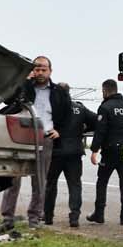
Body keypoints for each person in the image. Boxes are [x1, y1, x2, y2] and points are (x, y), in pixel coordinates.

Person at [1, 56, 59, 229]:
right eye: (37, 68)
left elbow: (66, 115)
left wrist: (59, 130)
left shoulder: (58, 93)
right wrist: (24, 82)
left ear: (50, 70)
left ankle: (34, 219)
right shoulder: (23, 88)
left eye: (44, 69)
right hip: (20, 138)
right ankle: (7, 219)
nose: (40, 72)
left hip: (45, 139)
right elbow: (7, 100)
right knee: (12, 179)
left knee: (40, 181)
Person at [43, 82, 96, 228]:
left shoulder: (52, 108)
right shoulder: (79, 108)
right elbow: (96, 121)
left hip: (56, 152)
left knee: (50, 185)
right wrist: (83, 129)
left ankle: (48, 216)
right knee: (75, 185)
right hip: (75, 152)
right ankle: (74, 217)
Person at [87, 79, 123, 227]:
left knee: (102, 181)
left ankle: (99, 214)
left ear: (105, 90)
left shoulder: (105, 107)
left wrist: (94, 150)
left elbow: (100, 131)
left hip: (110, 151)